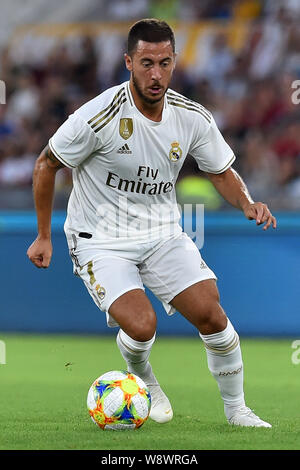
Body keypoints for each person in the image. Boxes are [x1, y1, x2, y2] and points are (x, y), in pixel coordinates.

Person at [27, 19, 277, 428]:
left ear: (175, 62)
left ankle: (238, 412)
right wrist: (42, 235)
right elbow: (46, 163)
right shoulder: (99, 115)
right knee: (142, 326)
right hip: (99, 237)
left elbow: (220, 170)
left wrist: (247, 203)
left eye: (164, 62)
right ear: (128, 62)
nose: (156, 73)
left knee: (212, 314)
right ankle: (144, 378)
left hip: (161, 232)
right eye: (146, 62)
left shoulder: (191, 117)